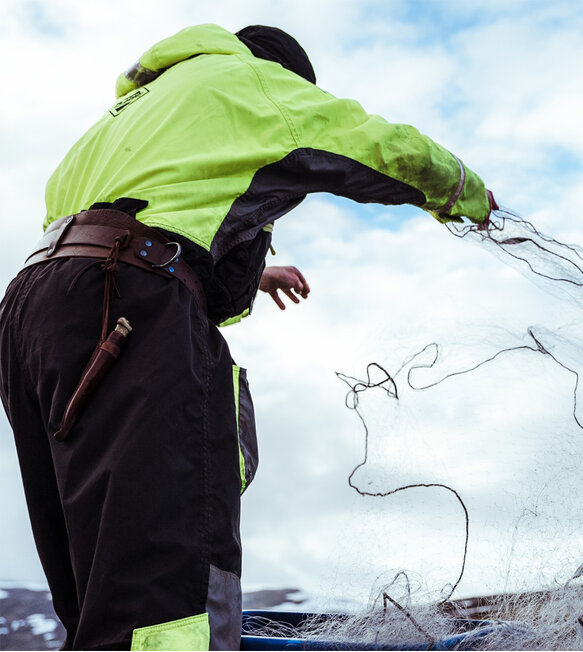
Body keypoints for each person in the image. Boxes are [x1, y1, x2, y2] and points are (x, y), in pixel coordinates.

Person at [0, 24, 496, 651]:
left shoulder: (130, 112)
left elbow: (134, 216)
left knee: (101, 596)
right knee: (166, 597)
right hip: (127, 307)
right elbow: (380, 146)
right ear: (282, 73)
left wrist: (248, 272)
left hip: (34, 316)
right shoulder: (255, 81)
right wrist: (469, 197)